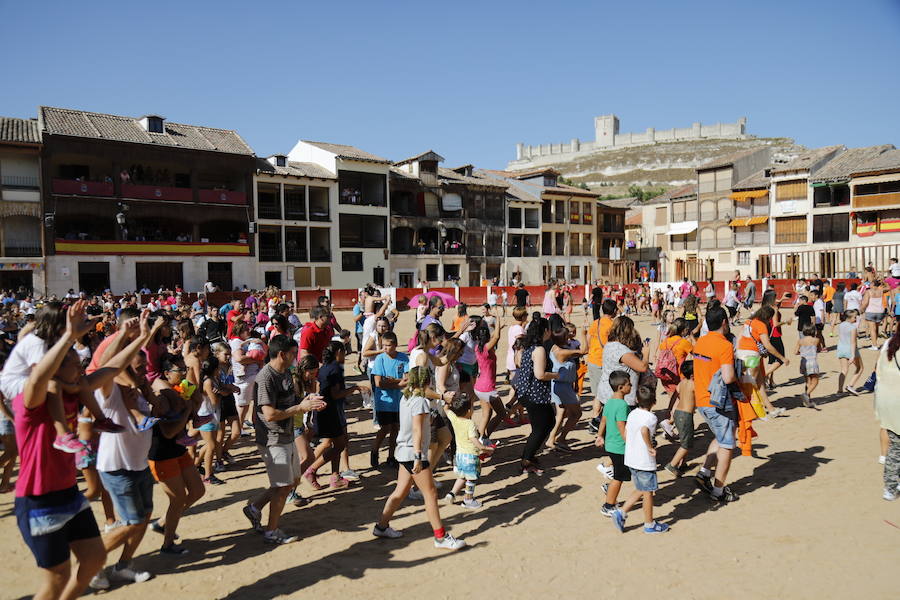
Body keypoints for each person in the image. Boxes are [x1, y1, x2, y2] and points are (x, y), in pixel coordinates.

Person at [13, 301, 111, 600]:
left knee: (94, 558)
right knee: (57, 578)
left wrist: (142, 336)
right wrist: (67, 338)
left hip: (69, 493)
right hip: (38, 500)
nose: (80, 367)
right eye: (72, 362)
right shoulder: (28, 403)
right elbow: (40, 378)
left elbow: (113, 365)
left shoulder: (70, 395)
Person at [372, 366, 465, 550]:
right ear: (426, 381)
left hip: (403, 451)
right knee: (430, 494)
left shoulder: (406, 398)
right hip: (413, 454)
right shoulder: (420, 401)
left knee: (400, 492)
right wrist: (418, 457)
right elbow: (417, 430)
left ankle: (381, 526)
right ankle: (441, 537)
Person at [243, 335, 325, 545]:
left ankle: (254, 507)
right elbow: (269, 414)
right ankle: (271, 531)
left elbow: (292, 401)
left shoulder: (285, 373)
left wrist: (307, 401)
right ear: (281, 354)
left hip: (286, 434)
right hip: (272, 438)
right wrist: (300, 408)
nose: (295, 358)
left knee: (291, 482)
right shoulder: (266, 378)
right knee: (283, 485)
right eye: (292, 354)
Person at [692, 305, 739, 503]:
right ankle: (719, 490)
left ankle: (704, 472)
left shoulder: (700, 342)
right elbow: (728, 377)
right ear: (724, 323)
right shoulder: (724, 345)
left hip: (701, 399)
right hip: (717, 402)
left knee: (719, 438)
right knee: (728, 445)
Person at [303, 341, 363, 489]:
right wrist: (355, 388)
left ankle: (335, 476)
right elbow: (336, 394)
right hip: (330, 413)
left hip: (327, 411)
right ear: (338, 353)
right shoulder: (335, 368)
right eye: (343, 351)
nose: (345, 354)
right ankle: (311, 470)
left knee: (335, 443)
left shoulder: (325, 367)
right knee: (338, 444)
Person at [611, 385, 669, 534]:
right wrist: (650, 446)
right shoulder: (651, 417)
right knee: (648, 492)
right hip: (644, 460)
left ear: (637, 399)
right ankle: (649, 524)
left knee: (641, 488)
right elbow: (644, 431)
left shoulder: (632, 413)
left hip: (631, 458)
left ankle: (621, 512)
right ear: (654, 402)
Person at [515, 314, 558, 474]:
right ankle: (526, 460)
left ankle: (530, 456)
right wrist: (555, 375)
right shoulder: (539, 349)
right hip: (535, 394)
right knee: (541, 428)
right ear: (545, 331)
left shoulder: (529, 347)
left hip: (530, 392)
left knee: (547, 423)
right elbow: (540, 374)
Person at [443, 394, 494, 509]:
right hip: (470, 456)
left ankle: (451, 494)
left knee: (462, 476)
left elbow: (446, 409)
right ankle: (468, 500)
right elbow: (474, 440)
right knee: (471, 479)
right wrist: (485, 448)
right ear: (468, 411)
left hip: (459, 456)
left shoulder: (454, 418)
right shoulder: (470, 424)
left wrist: (449, 400)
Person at [594, 371, 632, 517]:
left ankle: (609, 489)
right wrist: (630, 444)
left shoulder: (609, 401)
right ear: (621, 387)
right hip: (620, 446)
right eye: (629, 384)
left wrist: (599, 436)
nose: (631, 385)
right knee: (619, 477)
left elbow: (603, 420)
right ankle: (608, 505)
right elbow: (621, 426)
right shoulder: (622, 405)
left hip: (611, 445)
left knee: (621, 473)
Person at [370, 332, 408, 469]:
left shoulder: (403, 358)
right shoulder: (380, 359)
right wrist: (399, 383)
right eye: (384, 345)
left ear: (395, 345)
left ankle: (391, 456)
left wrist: (393, 381)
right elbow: (379, 383)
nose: (386, 348)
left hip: (398, 401)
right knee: (385, 428)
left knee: (395, 429)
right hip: (384, 401)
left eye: (389, 345)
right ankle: (374, 451)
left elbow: (408, 379)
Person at [598, 316, 650, 409]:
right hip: (621, 396)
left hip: (608, 392)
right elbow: (642, 367)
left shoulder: (610, 344)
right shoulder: (620, 349)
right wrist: (646, 354)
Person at [874, 326, 900, 500]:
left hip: (885, 398)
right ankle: (891, 487)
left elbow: (878, 372)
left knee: (895, 445)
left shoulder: (889, 344)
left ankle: (890, 487)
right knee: (896, 448)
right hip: (897, 400)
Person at [472, 319, 505, 444]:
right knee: (501, 414)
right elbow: (496, 337)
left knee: (487, 414)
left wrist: (499, 327)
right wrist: (496, 316)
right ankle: (484, 438)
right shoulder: (487, 348)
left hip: (479, 386)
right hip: (488, 389)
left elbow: (494, 337)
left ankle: (480, 438)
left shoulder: (478, 348)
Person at [587, 299, 617, 433]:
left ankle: (594, 421)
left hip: (593, 359)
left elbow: (588, 339)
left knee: (597, 394)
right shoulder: (614, 325)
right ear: (614, 311)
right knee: (608, 394)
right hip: (607, 362)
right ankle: (601, 421)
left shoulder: (596, 323)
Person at [663, 361, 695, 477]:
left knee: (685, 440)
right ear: (692, 375)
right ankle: (672, 465)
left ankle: (682, 463)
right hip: (686, 416)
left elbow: (673, 397)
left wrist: (669, 409)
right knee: (687, 444)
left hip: (677, 414)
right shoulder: (694, 384)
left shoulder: (681, 383)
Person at [837, 310, 865, 395]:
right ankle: (850, 385)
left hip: (841, 348)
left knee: (844, 370)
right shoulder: (853, 328)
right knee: (860, 368)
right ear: (849, 318)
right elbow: (853, 342)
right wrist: (852, 355)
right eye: (854, 317)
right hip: (851, 349)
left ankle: (839, 390)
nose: (856, 318)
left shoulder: (841, 325)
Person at [861, 279, 888, 350]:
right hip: (880, 311)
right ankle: (875, 343)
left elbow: (866, 302)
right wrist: (883, 282)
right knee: (876, 328)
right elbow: (889, 287)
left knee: (872, 329)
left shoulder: (868, 291)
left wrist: (862, 309)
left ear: (873, 284)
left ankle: (874, 345)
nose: (869, 285)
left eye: (870, 284)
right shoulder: (881, 290)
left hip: (870, 311)